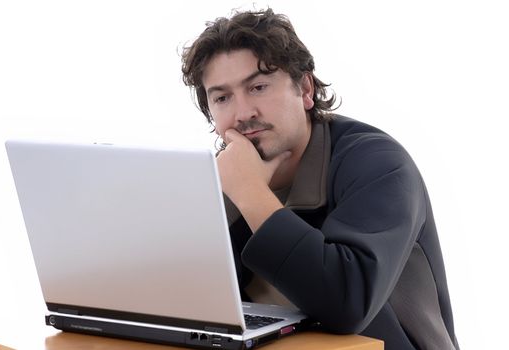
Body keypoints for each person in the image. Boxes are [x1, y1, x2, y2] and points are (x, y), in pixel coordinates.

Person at [181, 8, 459, 350]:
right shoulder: (220, 179)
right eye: (222, 97)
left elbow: (347, 302)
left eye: (258, 87)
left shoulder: (379, 165)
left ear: (306, 89)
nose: (243, 113)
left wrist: (250, 194)